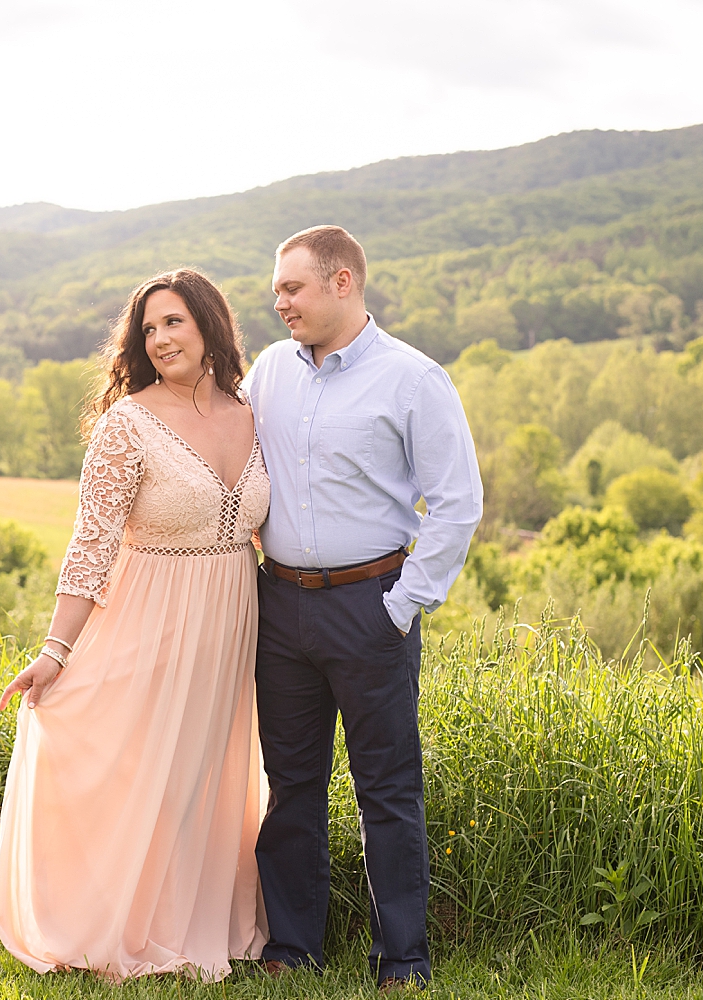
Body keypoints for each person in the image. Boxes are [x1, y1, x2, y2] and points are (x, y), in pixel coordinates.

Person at [0, 268, 270, 982]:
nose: (160, 338)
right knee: (138, 770)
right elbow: (91, 542)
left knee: (201, 777)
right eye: (149, 328)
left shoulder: (254, 413)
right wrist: (56, 650)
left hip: (232, 620)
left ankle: (194, 921)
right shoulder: (128, 423)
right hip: (148, 618)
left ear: (210, 324)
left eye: (174, 321)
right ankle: (108, 924)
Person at [244, 226, 483, 989]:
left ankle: (403, 959)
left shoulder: (413, 379)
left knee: (387, 789)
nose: (278, 302)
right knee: (290, 786)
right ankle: (291, 947)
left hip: (370, 608)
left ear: (343, 283)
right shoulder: (270, 371)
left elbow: (458, 504)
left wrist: (401, 605)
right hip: (278, 608)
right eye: (277, 289)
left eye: (292, 288)